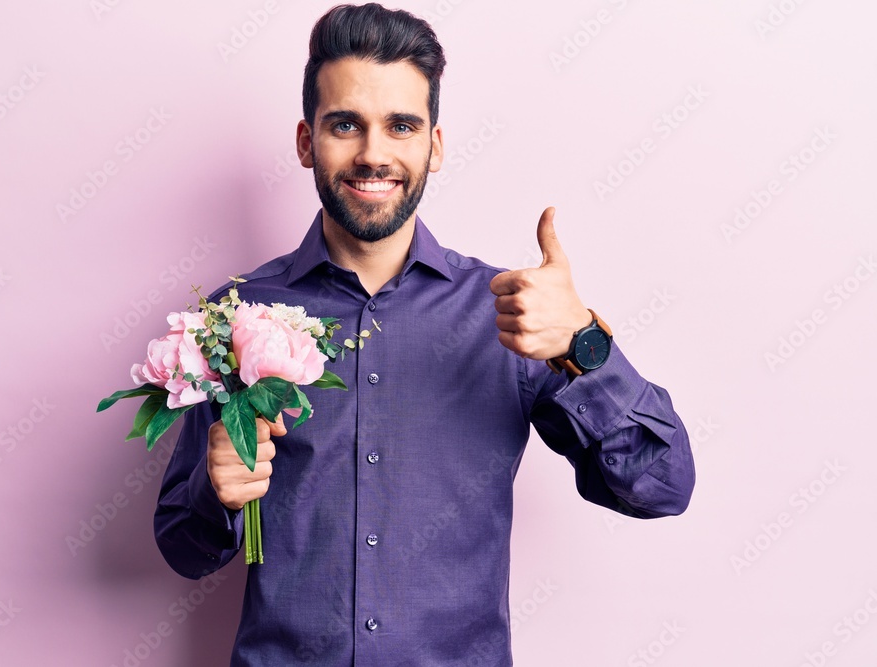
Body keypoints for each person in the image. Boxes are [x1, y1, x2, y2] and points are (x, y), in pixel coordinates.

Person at [153, 3, 695, 665]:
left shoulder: (515, 317)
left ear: (433, 145)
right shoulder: (235, 314)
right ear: (306, 141)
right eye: (345, 124)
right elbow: (182, 547)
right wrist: (218, 491)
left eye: (400, 125)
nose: (373, 153)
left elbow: (662, 487)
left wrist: (587, 344)